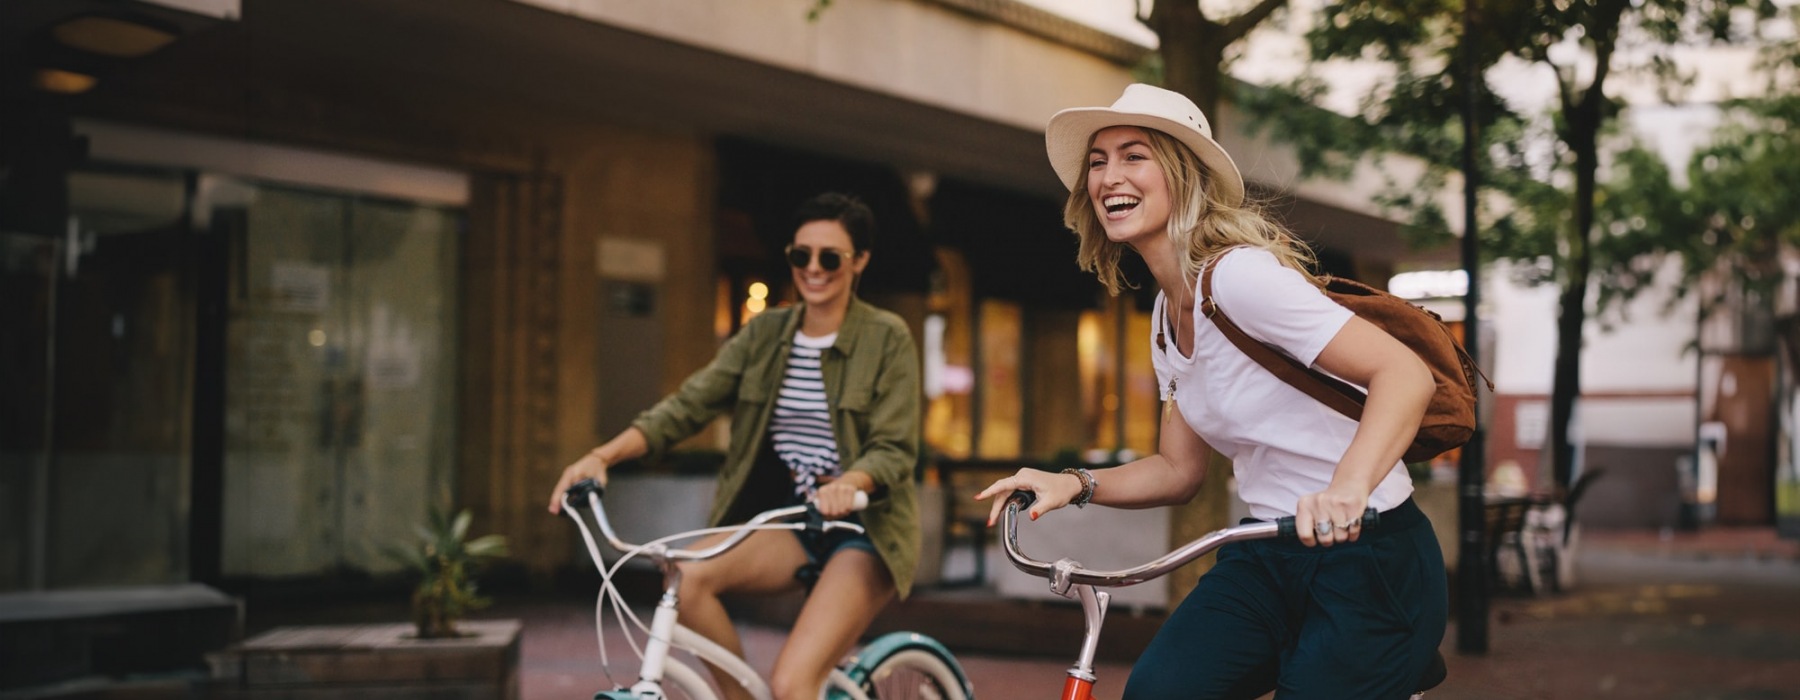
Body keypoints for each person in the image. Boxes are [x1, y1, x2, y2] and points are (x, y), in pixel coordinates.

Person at [976, 84, 1448, 699]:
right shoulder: (1168, 314)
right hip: (1266, 555)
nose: (1109, 176)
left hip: (1369, 557)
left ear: (1181, 173)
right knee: (1158, 692)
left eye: (1133, 155)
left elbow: (1404, 374)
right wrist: (1073, 484)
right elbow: (1179, 470)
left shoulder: (1240, 277)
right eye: (1098, 162)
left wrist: (1347, 489)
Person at [548, 193, 922, 700]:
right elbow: (686, 407)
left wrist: (851, 482)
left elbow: (894, 448)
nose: (813, 268)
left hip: (864, 528)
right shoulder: (764, 335)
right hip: (795, 520)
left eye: (830, 257)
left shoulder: (887, 337)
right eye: (800, 255)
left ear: (859, 261)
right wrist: (601, 456)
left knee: (794, 683)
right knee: (685, 575)